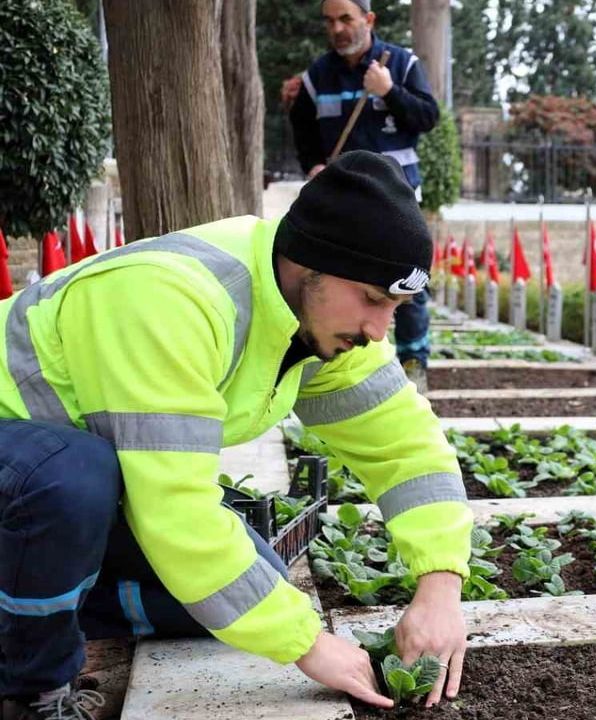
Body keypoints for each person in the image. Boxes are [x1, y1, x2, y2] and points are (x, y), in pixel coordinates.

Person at [0, 152, 471, 720]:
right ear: (309, 263)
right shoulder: (172, 298)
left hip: (48, 497)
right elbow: (176, 510)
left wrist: (440, 589)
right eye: (372, 299)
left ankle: (31, 599)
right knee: (73, 479)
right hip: (32, 470)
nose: (377, 330)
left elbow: (406, 447)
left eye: (394, 307)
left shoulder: (319, 324)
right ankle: (31, 688)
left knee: (242, 588)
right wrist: (310, 645)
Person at [285, 0, 437, 383]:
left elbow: (427, 117)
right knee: (342, 282)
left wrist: (389, 92)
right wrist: (314, 166)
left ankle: (413, 361)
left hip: (398, 201)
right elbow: (302, 128)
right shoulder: (317, 76)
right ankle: (337, 361)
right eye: (330, 21)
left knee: (405, 282)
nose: (337, 29)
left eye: (346, 19)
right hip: (344, 205)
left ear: (368, 20)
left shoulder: (401, 64)